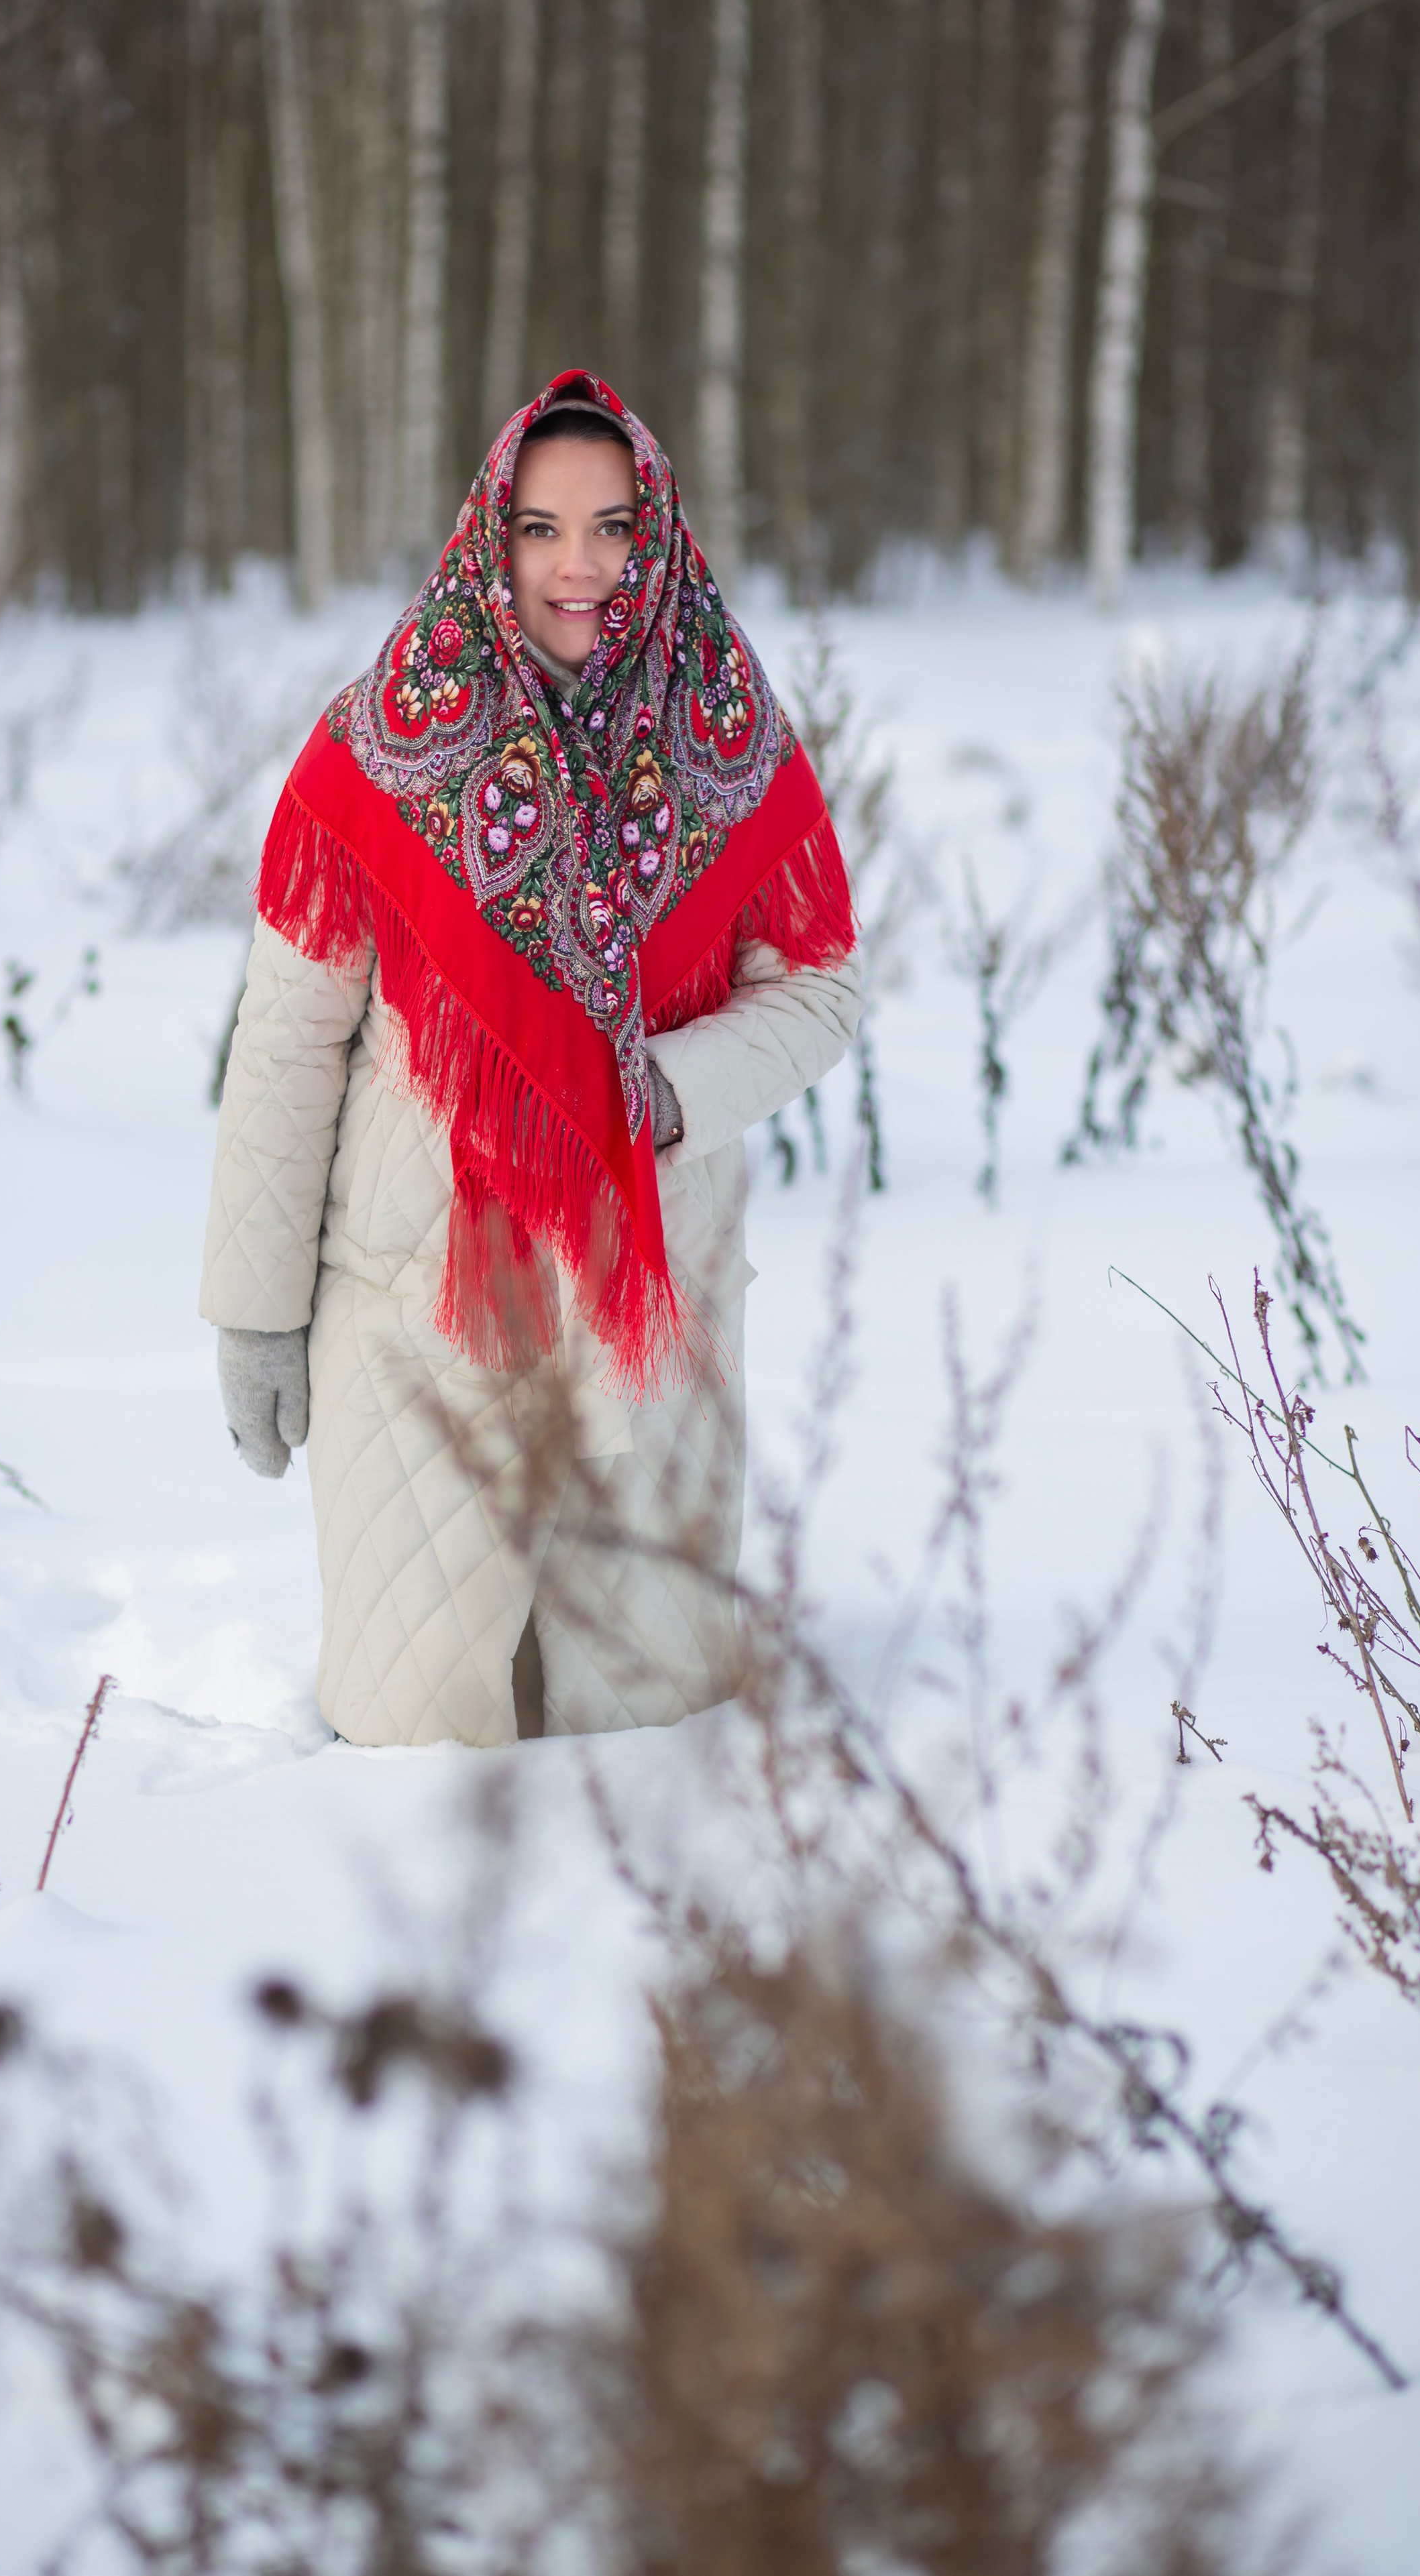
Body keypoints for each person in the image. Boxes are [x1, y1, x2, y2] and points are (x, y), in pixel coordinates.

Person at [199, 370, 861, 1750]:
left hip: (652, 1312)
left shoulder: (721, 722)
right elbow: (287, 1038)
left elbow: (816, 988)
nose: (580, 567)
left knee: (651, 1733)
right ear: (486, 538)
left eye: (613, 528)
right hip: (424, 1311)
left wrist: (668, 1093)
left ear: (658, 534)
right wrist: (254, 1307)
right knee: (410, 1739)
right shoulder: (378, 744)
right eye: (541, 529)